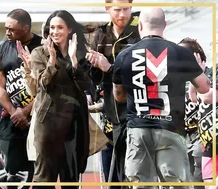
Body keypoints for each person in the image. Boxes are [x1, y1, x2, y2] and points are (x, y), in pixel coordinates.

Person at [111, 7, 210, 187]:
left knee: (141, 184)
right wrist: (196, 69)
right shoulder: (180, 53)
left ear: (140, 25)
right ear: (164, 25)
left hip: (138, 129)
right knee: (175, 184)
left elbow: (118, 96)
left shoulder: (124, 55)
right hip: (171, 129)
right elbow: (204, 87)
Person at [29, 10, 92, 188]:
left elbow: (86, 86)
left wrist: (73, 61)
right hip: (48, 126)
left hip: (74, 126)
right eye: (52, 27)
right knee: (44, 180)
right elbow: (44, 84)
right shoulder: (39, 53)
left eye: (60, 27)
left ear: (70, 29)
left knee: (70, 180)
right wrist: (53, 61)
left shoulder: (80, 53)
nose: (55, 31)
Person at [85, 0, 141, 185]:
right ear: (107, 9)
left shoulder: (140, 27)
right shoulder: (102, 34)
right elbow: (95, 78)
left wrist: (109, 67)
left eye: (126, 9)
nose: (123, 14)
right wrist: (92, 65)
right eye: (117, 10)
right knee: (112, 176)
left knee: (134, 175)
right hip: (111, 114)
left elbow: (144, 71)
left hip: (137, 112)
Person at [0, 8, 42, 185]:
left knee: (41, 168)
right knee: (13, 167)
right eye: (6, 28)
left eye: (11, 29)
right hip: (12, 118)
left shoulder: (42, 46)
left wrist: (27, 111)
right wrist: (15, 112)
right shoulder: (2, 49)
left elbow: (49, 86)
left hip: (40, 115)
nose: (7, 32)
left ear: (26, 28)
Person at [187, 38, 218, 189]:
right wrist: (196, 75)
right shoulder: (207, 72)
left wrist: (198, 76)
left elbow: (208, 96)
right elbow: (194, 98)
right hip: (208, 144)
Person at [178, 37, 208, 189]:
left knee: (197, 178)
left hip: (200, 135)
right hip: (181, 135)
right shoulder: (175, 77)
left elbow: (201, 100)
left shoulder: (207, 76)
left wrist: (196, 76)